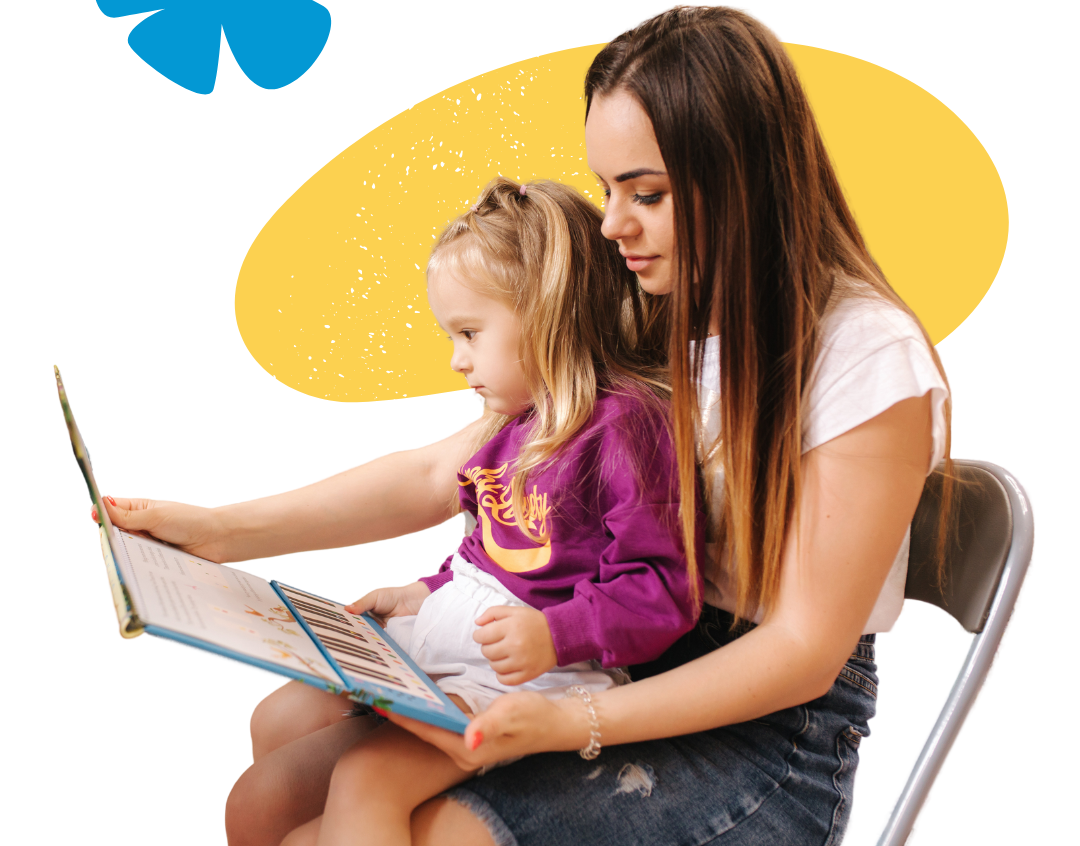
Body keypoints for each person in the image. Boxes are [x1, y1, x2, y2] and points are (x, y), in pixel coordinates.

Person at [97, 3, 956, 846]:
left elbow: (804, 649)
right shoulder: (646, 314)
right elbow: (445, 474)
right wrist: (217, 533)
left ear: (743, 176)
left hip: (765, 729)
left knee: (384, 821)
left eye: (646, 193)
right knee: (269, 777)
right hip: (600, 641)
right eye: (608, 189)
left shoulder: (864, 355)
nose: (614, 224)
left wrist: (566, 720)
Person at [96, 176, 702, 846]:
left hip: (540, 673)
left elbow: (659, 591)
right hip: (455, 640)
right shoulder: (510, 420)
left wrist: (556, 634)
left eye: (470, 332)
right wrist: (426, 590)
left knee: (368, 780)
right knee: (275, 723)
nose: (456, 359)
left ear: (549, 310)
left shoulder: (623, 428)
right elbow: (488, 552)